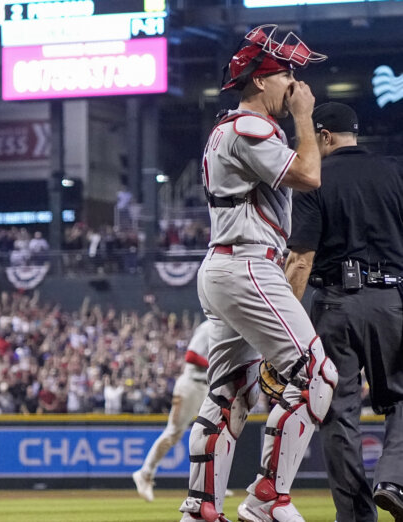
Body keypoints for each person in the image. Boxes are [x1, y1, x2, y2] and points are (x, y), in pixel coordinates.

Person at [178, 25, 338, 522]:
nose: (294, 83)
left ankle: (200, 507)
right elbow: (309, 177)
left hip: (227, 265)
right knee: (316, 374)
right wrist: (305, 118)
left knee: (227, 394)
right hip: (249, 264)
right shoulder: (252, 127)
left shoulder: (229, 129)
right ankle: (268, 495)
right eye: (287, 72)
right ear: (262, 78)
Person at [286, 102, 403, 522]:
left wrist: (286, 334)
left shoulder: (313, 181)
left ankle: (356, 517)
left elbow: (300, 260)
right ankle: (394, 479)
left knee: (340, 416)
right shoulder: (395, 171)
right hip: (391, 302)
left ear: (323, 136)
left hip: (333, 305)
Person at [134, 320, 233, 502]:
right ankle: (145, 474)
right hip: (191, 385)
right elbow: (191, 356)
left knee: (214, 434)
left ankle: (210, 483)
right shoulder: (208, 326)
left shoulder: (227, 328)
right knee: (173, 433)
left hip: (207, 387)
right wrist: (214, 365)